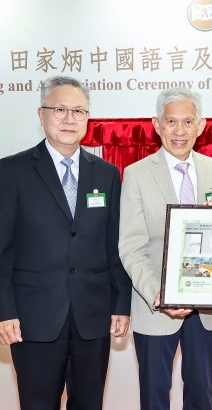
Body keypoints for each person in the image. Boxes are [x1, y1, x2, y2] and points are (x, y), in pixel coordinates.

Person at [0, 75, 132, 410]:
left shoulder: (105, 173)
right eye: (60, 109)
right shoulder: (11, 171)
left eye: (79, 111)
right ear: (40, 114)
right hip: (33, 318)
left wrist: (121, 303)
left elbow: (113, 242)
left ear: (88, 117)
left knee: (89, 403)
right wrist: (4, 311)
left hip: (93, 315)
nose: (70, 119)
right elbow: (2, 250)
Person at [118, 87, 212, 409]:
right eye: (171, 122)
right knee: (154, 396)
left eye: (188, 122)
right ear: (157, 124)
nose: (180, 131)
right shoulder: (136, 174)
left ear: (201, 125)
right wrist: (158, 295)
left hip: (207, 309)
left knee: (201, 395)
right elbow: (131, 246)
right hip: (156, 307)